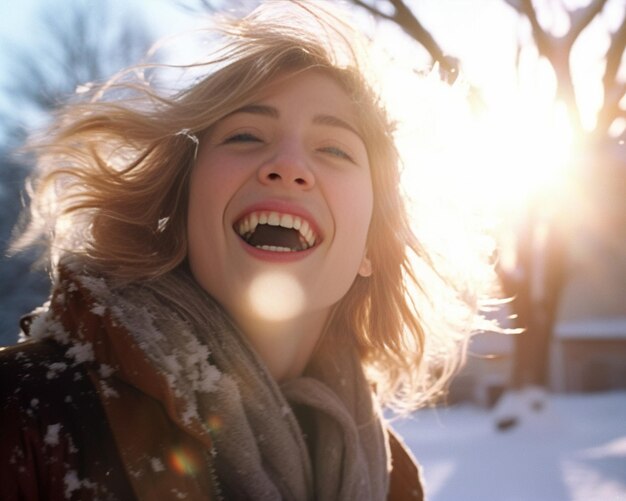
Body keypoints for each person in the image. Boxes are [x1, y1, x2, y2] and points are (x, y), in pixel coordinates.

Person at [0, 1, 491, 499]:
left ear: (371, 245)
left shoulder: (392, 481)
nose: (288, 164)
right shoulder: (23, 413)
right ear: (182, 206)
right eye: (246, 135)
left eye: (334, 149)